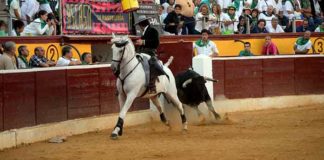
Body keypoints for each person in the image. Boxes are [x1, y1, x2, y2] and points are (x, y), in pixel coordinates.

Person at [135, 15, 167, 93]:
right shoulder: (145, 32)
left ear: (141, 24)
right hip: (142, 51)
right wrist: (140, 43)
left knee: (151, 64)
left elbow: (156, 43)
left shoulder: (153, 30)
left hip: (150, 52)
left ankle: (152, 85)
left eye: (139, 25)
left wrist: (143, 42)